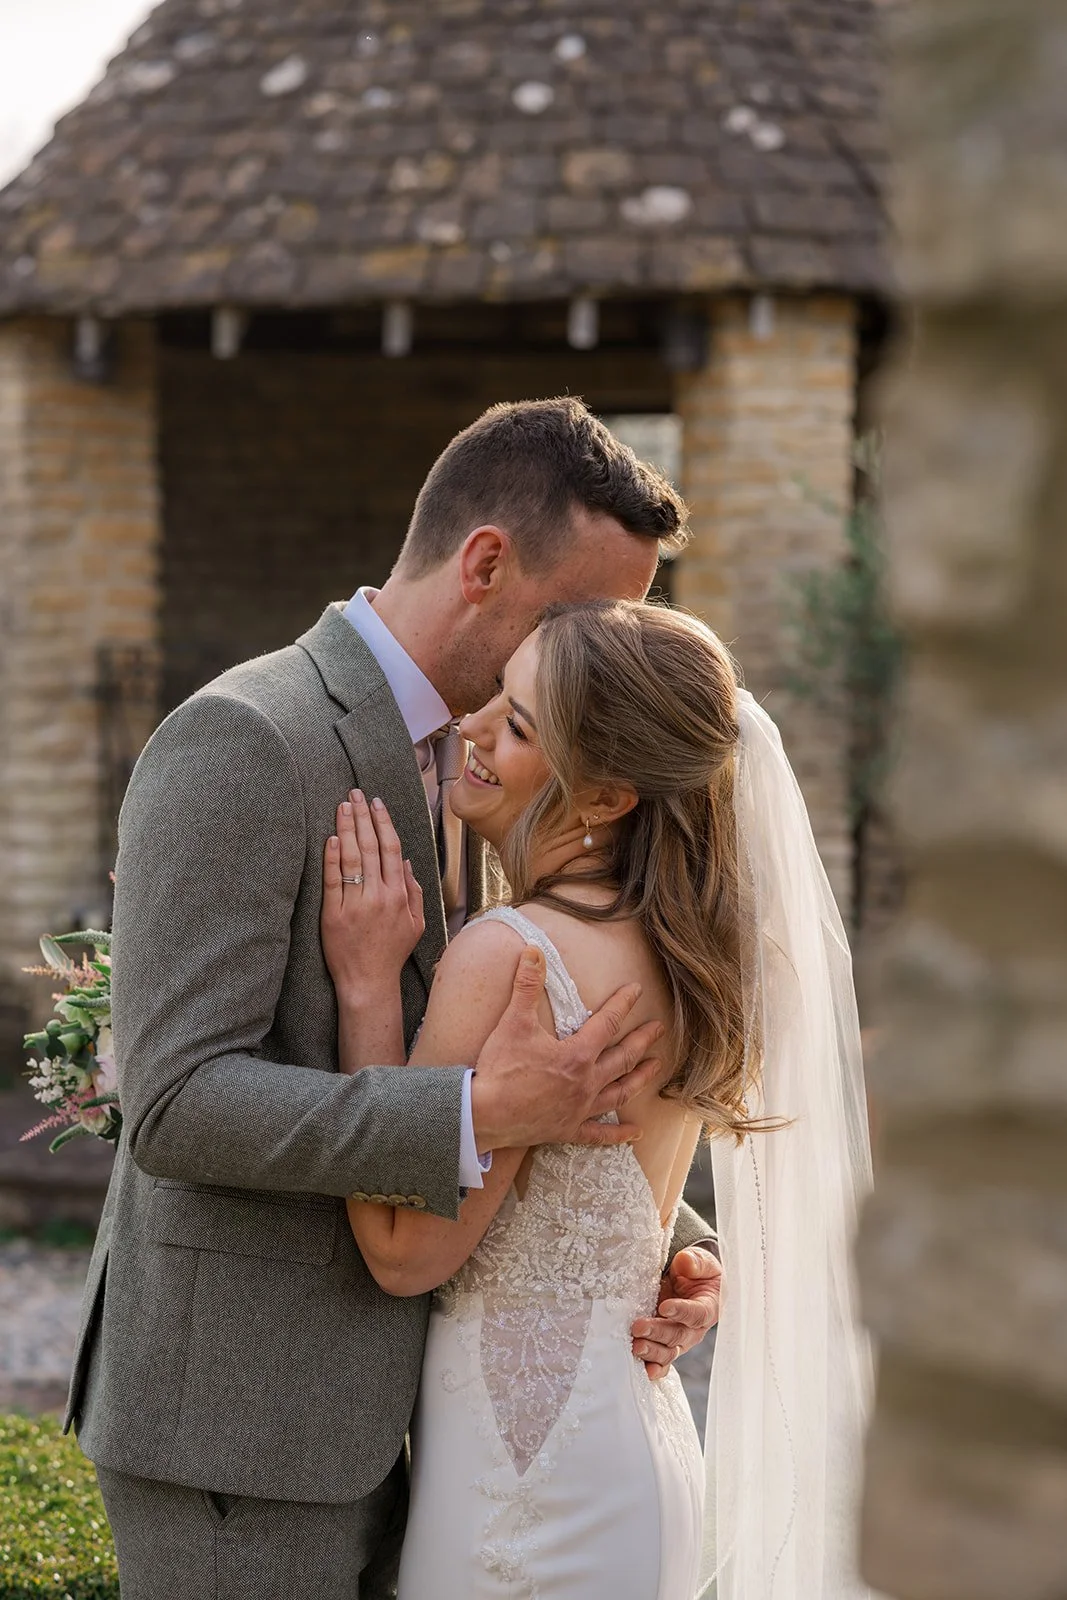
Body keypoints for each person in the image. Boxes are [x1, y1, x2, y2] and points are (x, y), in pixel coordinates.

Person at [68, 398, 723, 1600]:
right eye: (583, 613)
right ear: (485, 564)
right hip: (250, 1430)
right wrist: (476, 1112)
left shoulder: (502, 771)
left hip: (449, 1425)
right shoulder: (242, 739)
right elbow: (175, 1100)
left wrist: (657, 1251)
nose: (600, 652)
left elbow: (506, 1045)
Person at [319, 599, 876, 1600]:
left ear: (606, 793)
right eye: (497, 694)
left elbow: (403, 1251)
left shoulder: (512, 954)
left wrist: (365, 987)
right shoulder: (701, 957)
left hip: (515, 1480)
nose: (475, 726)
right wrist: (691, 1258)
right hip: (641, 1448)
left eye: (519, 723)